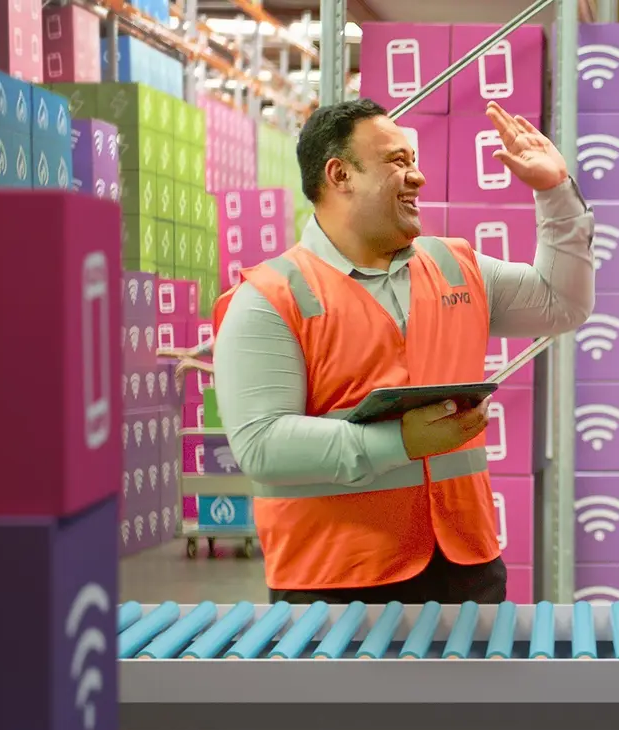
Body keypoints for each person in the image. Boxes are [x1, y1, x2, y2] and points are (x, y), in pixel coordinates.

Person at [210, 99, 594, 605]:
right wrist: (398, 443)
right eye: (398, 161)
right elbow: (261, 444)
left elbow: (561, 303)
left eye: (413, 160)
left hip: (466, 565)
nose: (418, 177)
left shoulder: (455, 266)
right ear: (339, 174)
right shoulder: (270, 297)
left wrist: (555, 193)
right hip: (334, 580)